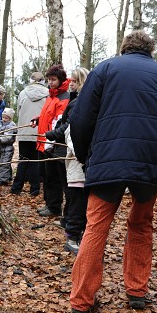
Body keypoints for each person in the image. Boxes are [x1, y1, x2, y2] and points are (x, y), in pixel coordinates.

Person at [68, 31, 157, 313]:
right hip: (150, 162)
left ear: (124, 48)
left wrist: (85, 158)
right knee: (141, 223)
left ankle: (81, 303)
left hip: (110, 159)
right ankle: (137, 292)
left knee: (95, 227)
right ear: (150, 51)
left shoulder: (105, 69)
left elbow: (81, 118)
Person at [60, 67, 89, 254]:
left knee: (79, 201)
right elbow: (68, 130)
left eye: (75, 81)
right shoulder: (77, 103)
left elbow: (73, 130)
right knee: (76, 200)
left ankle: (76, 234)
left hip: (82, 163)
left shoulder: (82, 104)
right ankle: (72, 235)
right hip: (77, 162)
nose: (71, 84)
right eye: (70, 80)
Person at [35, 64, 71, 218]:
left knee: (54, 178)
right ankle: (50, 204)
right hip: (44, 140)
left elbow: (59, 122)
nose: (50, 82)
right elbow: (48, 116)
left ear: (61, 80)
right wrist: (38, 119)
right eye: (49, 79)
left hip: (53, 144)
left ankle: (54, 207)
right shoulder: (51, 96)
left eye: (53, 79)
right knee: (47, 176)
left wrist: (51, 141)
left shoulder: (63, 98)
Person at [11, 72, 49, 196]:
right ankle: (35, 189)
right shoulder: (48, 94)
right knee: (36, 161)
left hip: (25, 131)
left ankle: (16, 188)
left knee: (23, 160)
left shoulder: (23, 93)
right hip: (40, 132)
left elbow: (18, 111)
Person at [0, 108, 17, 186]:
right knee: (6, 162)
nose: (4, 119)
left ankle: (4, 180)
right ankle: (9, 176)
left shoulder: (11, 126)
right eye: (3, 117)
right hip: (3, 147)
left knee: (4, 163)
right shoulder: (3, 124)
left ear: (10, 118)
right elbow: (1, 132)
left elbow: (8, 137)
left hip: (8, 147)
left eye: (6, 118)